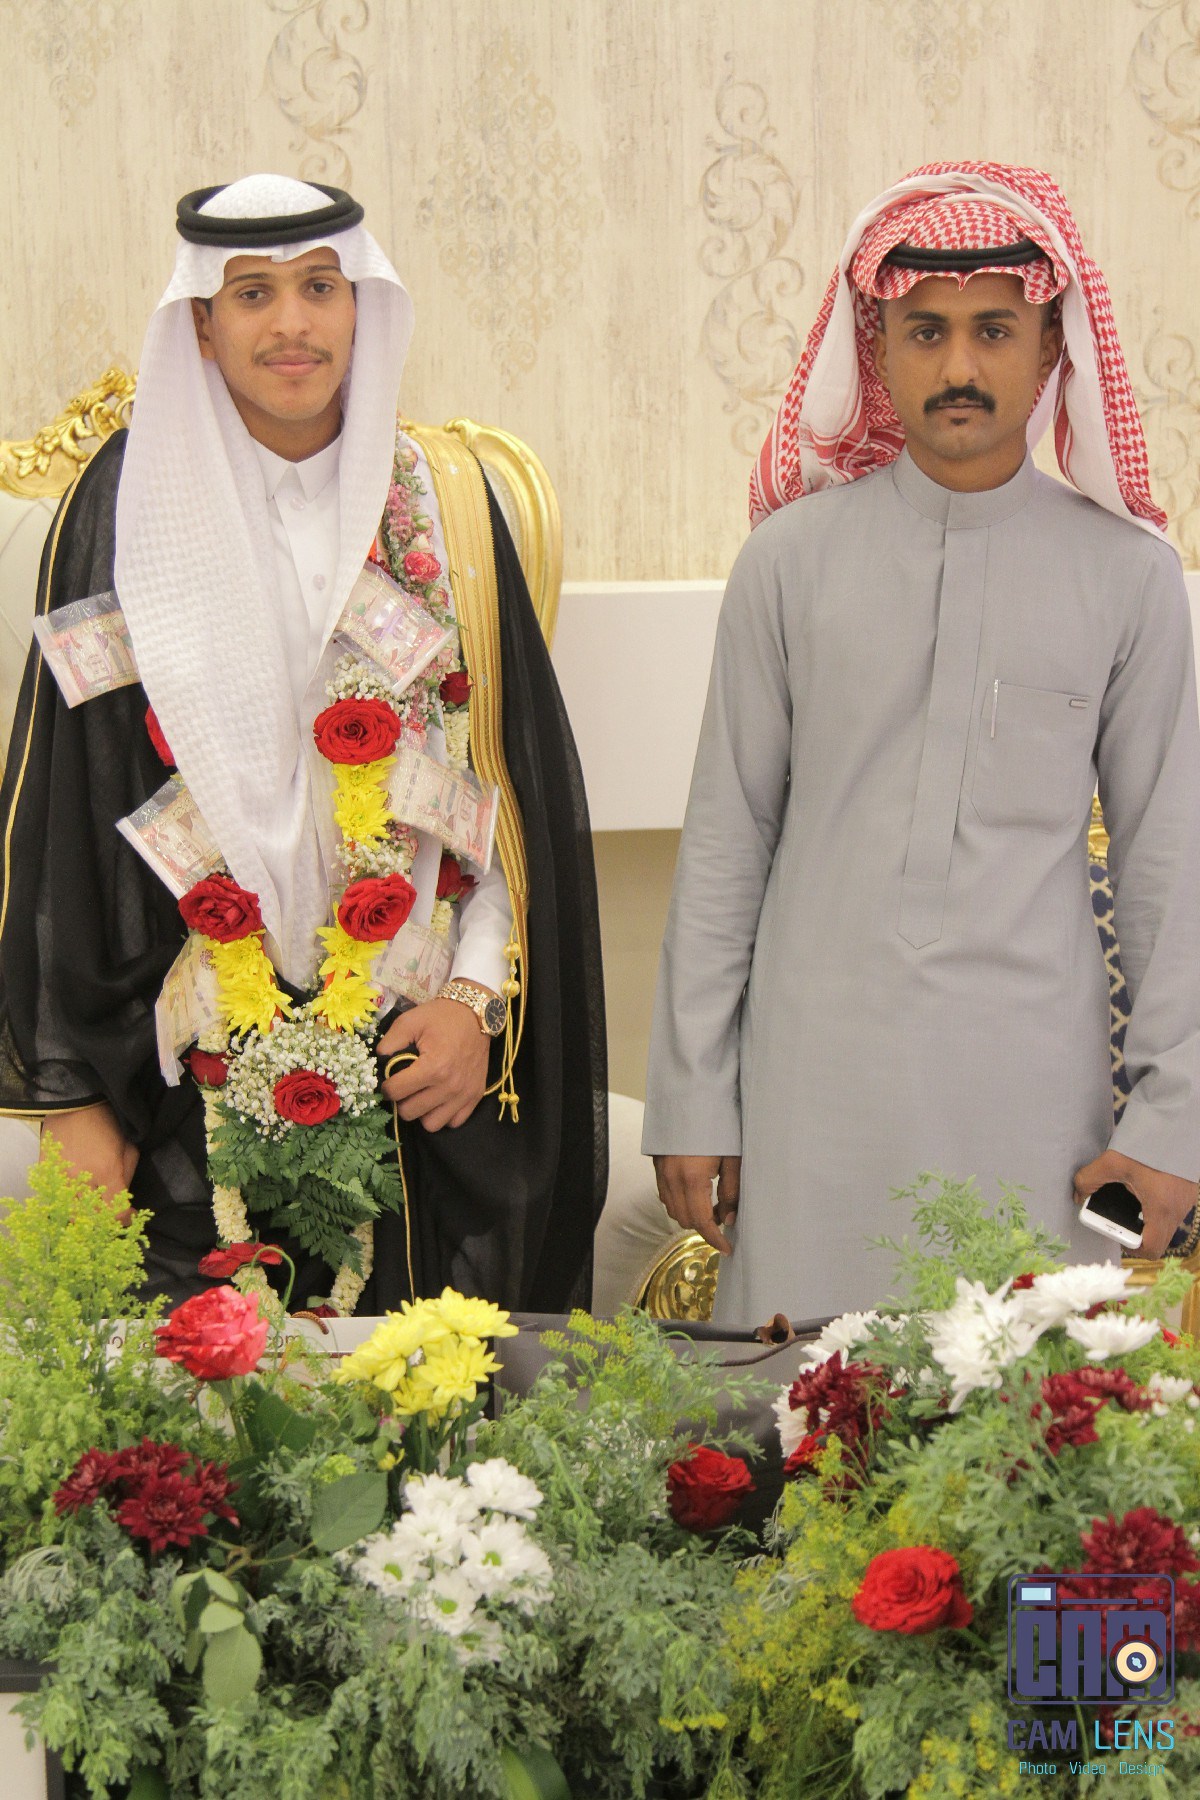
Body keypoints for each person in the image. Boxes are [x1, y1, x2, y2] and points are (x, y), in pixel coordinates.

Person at [0, 174, 606, 1313]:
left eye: (321, 287)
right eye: (253, 293)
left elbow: (504, 792)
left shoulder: (445, 505)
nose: (292, 324)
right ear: (201, 324)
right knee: (200, 1405)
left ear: (361, 305)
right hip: (182, 1074)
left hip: (413, 1064)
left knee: (421, 1402)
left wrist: (475, 1001)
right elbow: (66, 812)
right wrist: (72, 1099)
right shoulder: (123, 508)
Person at [643, 161, 1200, 1324]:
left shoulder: (1131, 578)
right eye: (926, 332)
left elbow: (1170, 865)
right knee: (795, 1403)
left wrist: (1173, 1120)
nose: (959, 368)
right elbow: (728, 839)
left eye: (995, 330)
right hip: (812, 1083)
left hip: (1033, 1098)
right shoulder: (787, 564)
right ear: (878, 350)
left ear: (1048, 350)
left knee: (1015, 1406)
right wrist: (693, 1096)